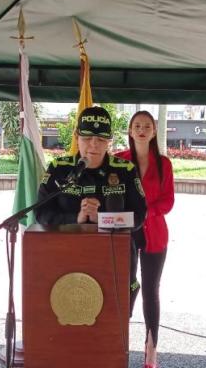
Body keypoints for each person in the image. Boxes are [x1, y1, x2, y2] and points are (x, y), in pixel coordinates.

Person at [34, 106, 147, 308]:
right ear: (76, 136)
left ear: (109, 141)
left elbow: (138, 216)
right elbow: (41, 212)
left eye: (101, 139)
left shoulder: (125, 170)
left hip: (114, 263)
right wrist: (75, 218)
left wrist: (102, 219)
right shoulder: (59, 169)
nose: (93, 145)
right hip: (65, 262)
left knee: (112, 322)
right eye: (87, 138)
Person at [115, 111, 175, 368]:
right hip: (124, 232)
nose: (141, 130)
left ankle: (151, 348)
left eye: (146, 126)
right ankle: (117, 340)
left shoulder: (164, 164)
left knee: (151, 290)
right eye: (137, 125)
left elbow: (168, 201)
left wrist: (145, 212)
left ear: (154, 131)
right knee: (124, 287)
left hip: (154, 233)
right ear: (130, 131)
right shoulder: (118, 160)